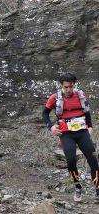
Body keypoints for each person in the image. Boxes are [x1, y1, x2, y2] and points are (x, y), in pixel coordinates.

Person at [43, 73, 99, 202]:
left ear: (74, 85)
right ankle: (77, 186)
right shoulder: (55, 97)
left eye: (71, 87)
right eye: (66, 87)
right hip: (66, 134)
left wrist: (90, 126)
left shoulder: (80, 95)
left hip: (82, 132)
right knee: (71, 160)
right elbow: (45, 113)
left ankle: (97, 189)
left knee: (93, 160)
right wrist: (51, 127)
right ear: (61, 85)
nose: (68, 90)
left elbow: (87, 111)